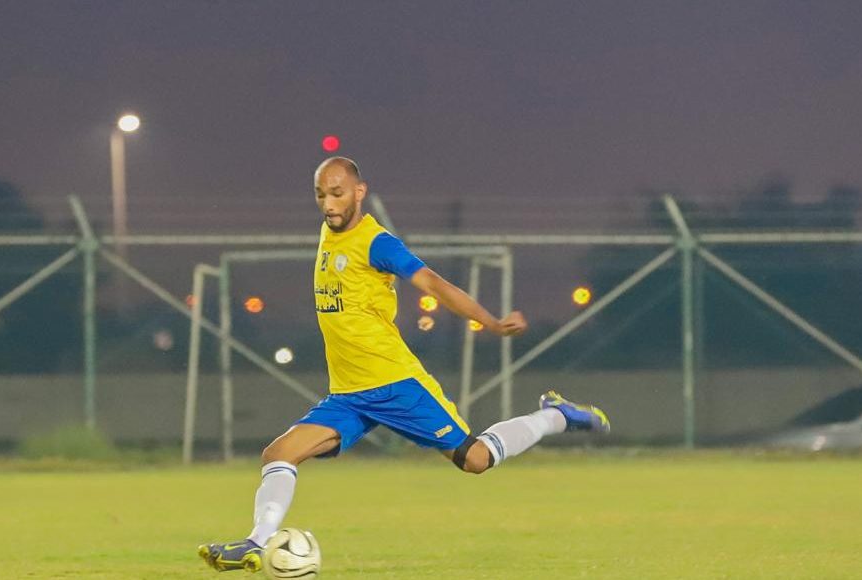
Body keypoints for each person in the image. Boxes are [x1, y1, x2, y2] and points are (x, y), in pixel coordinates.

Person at [199, 157, 610, 573]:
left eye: (337, 194)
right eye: (321, 195)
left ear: (360, 192)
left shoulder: (377, 243)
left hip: (396, 384)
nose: (328, 204)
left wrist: (490, 322)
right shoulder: (328, 232)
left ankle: (555, 416)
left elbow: (433, 283)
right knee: (278, 453)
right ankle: (255, 544)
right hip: (348, 395)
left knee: (475, 459)